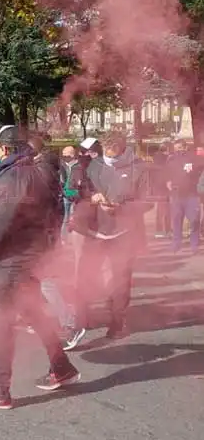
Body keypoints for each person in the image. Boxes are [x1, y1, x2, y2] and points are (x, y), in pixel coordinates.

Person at [0, 125, 79, 410]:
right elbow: (22, 214)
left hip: (11, 262)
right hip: (29, 257)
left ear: (6, 149)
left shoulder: (13, 177)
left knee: (1, 324)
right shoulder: (36, 173)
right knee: (36, 313)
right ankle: (62, 367)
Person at [73, 132, 148, 340]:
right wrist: (92, 196)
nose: (109, 159)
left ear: (123, 149)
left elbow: (148, 200)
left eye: (114, 155)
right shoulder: (94, 166)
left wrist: (121, 208)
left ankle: (117, 322)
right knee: (85, 275)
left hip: (124, 233)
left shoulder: (139, 168)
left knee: (121, 280)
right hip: (95, 231)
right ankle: (80, 320)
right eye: (106, 154)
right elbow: (81, 190)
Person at [166, 140, 201, 253]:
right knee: (176, 221)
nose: (178, 150)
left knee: (194, 220)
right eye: (176, 148)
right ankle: (176, 244)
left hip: (191, 194)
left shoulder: (193, 158)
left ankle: (194, 245)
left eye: (180, 148)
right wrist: (167, 181)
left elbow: (199, 171)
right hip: (176, 195)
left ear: (185, 147)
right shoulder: (171, 159)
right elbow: (166, 173)